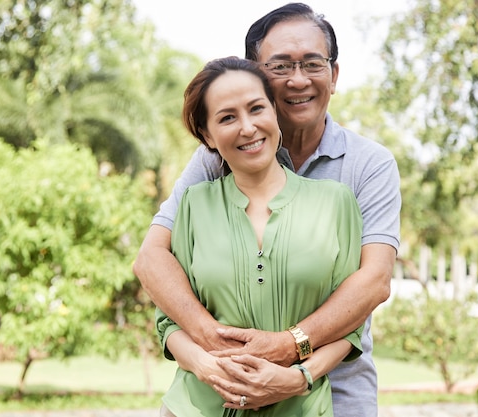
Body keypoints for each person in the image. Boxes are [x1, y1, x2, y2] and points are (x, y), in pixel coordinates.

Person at [134, 3, 401, 416]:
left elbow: (374, 282)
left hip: (334, 389)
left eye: (312, 63)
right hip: (215, 391)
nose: (298, 79)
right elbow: (152, 258)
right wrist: (213, 342)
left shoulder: (367, 166)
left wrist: (289, 354)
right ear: (257, 74)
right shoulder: (214, 162)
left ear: (334, 74)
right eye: (280, 66)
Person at [157, 55, 363, 417]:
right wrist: (208, 370)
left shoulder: (336, 203)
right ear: (207, 134)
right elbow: (169, 321)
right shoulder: (193, 204)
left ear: (275, 114)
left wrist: (300, 377)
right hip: (195, 407)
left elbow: (349, 325)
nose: (248, 127)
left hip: (302, 408)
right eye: (227, 117)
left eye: (256, 109)